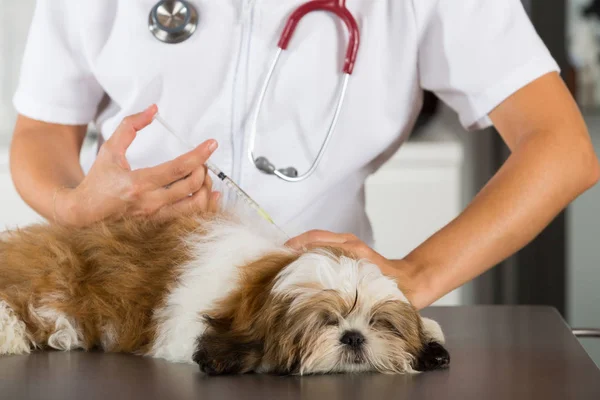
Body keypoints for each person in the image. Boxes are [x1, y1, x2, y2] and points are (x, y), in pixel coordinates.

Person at [10, 0, 600, 310]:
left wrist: (418, 275)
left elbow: (562, 147)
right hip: (122, 298)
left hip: (312, 314)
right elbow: (41, 131)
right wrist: (74, 205)